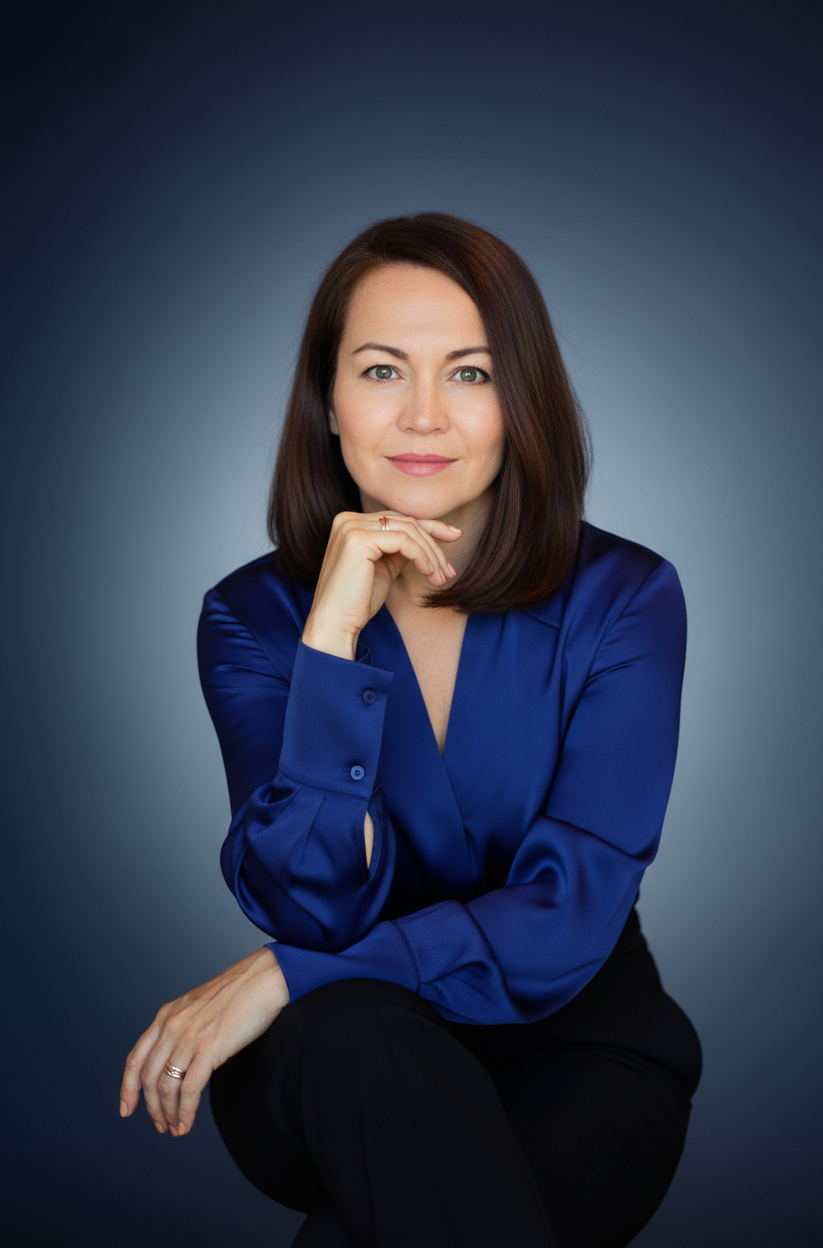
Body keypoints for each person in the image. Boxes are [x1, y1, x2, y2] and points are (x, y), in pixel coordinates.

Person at [119, 212, 702, 1247]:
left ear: (521, 404)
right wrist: (330, 643)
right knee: (357, 1037)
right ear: (328, 401)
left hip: (577, 1049)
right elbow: (307, 903)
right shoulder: (250, 617)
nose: (424, 415)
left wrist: (286, 975)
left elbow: (569, 909)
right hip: (337, 1055)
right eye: (383, 370)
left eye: (470, 374)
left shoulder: (627, 596)